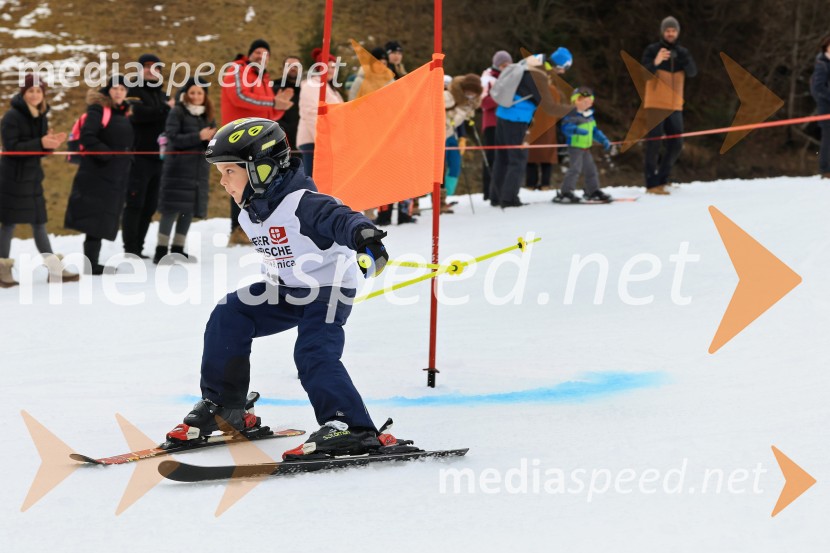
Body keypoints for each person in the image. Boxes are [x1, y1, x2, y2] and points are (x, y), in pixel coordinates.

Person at [163, 118, 396, 459]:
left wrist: (366, 239)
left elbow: (342, 218)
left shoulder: (302, 203)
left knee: (313, 352)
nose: (223, 181)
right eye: (220, 172)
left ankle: (351, 427)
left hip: (327, 291)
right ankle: (227, 409)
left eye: (230, 171)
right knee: (230, 313)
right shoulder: (251, 210)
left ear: (261, 168)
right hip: (285, 290)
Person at [0, 74, 75, 287]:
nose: (35, 95)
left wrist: (48, 146)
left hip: (33, 177)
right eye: (31, 91)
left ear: (43, 95)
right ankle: (2, 271)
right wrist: (40, 142)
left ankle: (54, 269)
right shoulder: (12, 117)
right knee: (8, 224)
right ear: (23, 94)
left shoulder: (41, 116)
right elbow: (12, 148)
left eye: (38, 91)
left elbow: (37, 151)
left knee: (40, 222)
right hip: (12, 178)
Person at [221, 39, 295, 245]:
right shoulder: (237, 69)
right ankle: (238, 230)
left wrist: (280, 105)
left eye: (265, 54)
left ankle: (250, 229)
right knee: (239, 182)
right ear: (250, 54)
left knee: (257, 182)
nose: (261, 57)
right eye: (257, 52)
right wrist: (273, 101)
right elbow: (238, 96)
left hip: (257, 139)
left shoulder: (264, 79)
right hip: (237, 136)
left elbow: (269, 113)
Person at [64, 77, 134, 274]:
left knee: (103, 217)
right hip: (97, 173)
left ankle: (92, 262)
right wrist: (107, 154)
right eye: (115, 88)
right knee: (94, 217)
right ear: (108, 91)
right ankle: (90, 263)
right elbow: (88, 136)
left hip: (115, 175)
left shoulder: (123, 113)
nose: (119, 92)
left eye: (122, 89)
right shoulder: (98, 109)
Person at [154, 78, 217, 264]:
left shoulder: (208, 114)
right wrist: (198, 136)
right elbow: (172, 137)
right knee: (171, 209)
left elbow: (212, 142)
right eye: (192, 93)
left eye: (199, 93)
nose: (196, 96)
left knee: (188, 209)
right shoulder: (177, 111)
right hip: (178, 167)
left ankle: (178, 248)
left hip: (198, 169)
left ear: (205, 96)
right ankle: (160, 250)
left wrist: (210, 140)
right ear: (186, 95)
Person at [122, 54, 171, 258]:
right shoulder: (133, 90)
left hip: (159, 158)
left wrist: (163, 109)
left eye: (155, 67)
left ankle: (139, 247)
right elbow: (139, 115)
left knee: (150, 205)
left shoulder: (162, 95)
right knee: (135, 203)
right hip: (138, 157)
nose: (151, 70)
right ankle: (130, 249)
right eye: (146, 66)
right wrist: (165, 109)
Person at [641, 16, 697, 195]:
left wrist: (684, 59)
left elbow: (693, 72)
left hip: (675, 105)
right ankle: (651, 184)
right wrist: (656, 62)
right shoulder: (652, 50)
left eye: (673, 30)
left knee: (676, 144)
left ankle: (662, 178)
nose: (670, 33)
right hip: (656, 104)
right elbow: (643, 74)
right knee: (654, 144)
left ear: (678, 32)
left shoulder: (683, 52)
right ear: (662, 32)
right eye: (667, 31)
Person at [489, 54, 543, 207]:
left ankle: (496, 197)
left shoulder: (517, 70)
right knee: (518, 159)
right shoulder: (531, 75)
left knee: (502, 158)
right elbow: (542, 99)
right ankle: (509, 198)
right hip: (517, 120)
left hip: (502, 116)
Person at [553, 87, 613, 204]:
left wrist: (604, 140)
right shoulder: (572, 115)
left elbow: (595, 131)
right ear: (576, 101)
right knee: (575, 169)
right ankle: (566, 192)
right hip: (575, 146)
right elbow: (566, 128)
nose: (588, 104)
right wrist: (576, 130)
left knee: (591, 170)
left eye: (589, 101)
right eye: (584, 101)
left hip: (586, 148)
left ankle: (592, 191)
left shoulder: (589, 115)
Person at [526, 47, 572, 191]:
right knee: (535, 151)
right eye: (564, 67)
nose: (563, 72)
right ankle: (534, 184)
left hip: (545, 117)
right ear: (558, 64)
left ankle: (541, 183)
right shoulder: (540, 69)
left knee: (545, 151)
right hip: (534, 116)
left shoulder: (547, 70)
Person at [296, 47, 343, 177]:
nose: (331, 70)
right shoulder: (311, 85)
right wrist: (321, 139)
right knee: (313, 180)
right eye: (327, 67)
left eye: (333, 67)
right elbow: (310, 113)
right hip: (314, 140)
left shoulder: (331, 89)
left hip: (328, 140)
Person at [442, 74, 482, 213]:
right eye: (468, 91)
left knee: (454, 164)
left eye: (474, 93)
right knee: (439, 168)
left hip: (450, 134)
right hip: (438, 133)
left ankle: (446, 195)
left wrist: (463, 135)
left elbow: (463, 117)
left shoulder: (469, 102)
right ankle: (436, 198)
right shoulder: (449, 96)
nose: (471, 95)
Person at [811, 36, 830, 178]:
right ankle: (825, 170)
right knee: (827, 139)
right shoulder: (822, 64)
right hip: (826, 109)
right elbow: (818, 88)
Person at [273, 55, 302, 149]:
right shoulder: (272, 87)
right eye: (289, 66)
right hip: (278, 140)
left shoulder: (306, 89)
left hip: (301, 141)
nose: (293, 68)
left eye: (296, 66)